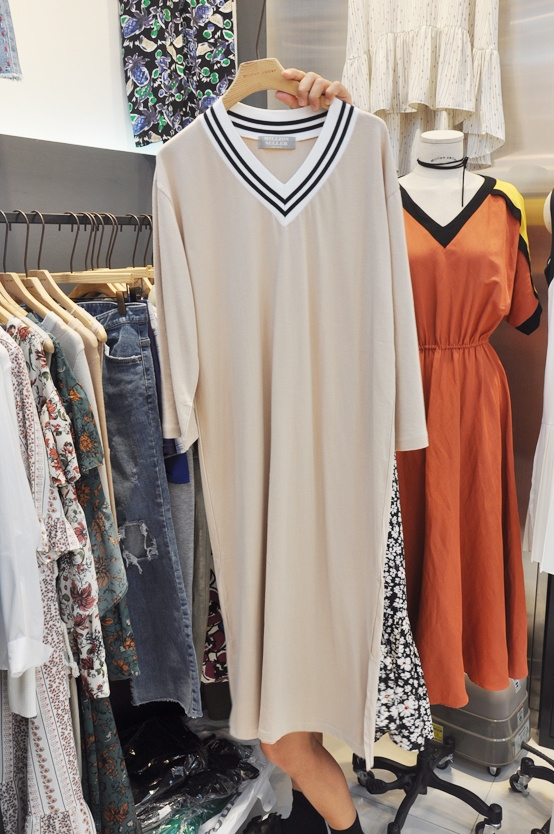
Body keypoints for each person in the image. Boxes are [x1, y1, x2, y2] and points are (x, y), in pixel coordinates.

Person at [240, 68, 366, 834]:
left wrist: (340, 128)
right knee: (292, 727)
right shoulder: (206, 174)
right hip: (270, 474)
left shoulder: (354, 187)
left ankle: (338, 824)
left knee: (285, 733)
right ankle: (320, 821)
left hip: (328, 476)